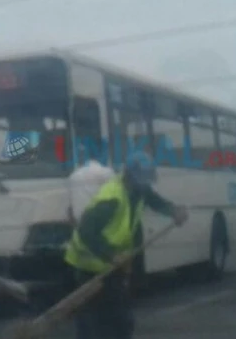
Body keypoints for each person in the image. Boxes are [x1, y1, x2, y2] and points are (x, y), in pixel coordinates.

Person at [64, 151, 188, 339]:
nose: (145, 184)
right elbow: (86, 232)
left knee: (119, 321)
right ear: (129, 176)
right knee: (92, 323)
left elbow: (156, 201)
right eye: (142, 179)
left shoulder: (139, 191)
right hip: (88, 264)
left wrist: (173, 211)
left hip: (111, 265)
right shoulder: (112, 197)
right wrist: (111, 255)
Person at [67, 144, 115, 226]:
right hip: (100, 222)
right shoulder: (106, 173)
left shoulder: (73, 176)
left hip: (81, 222)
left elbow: (71, 208)